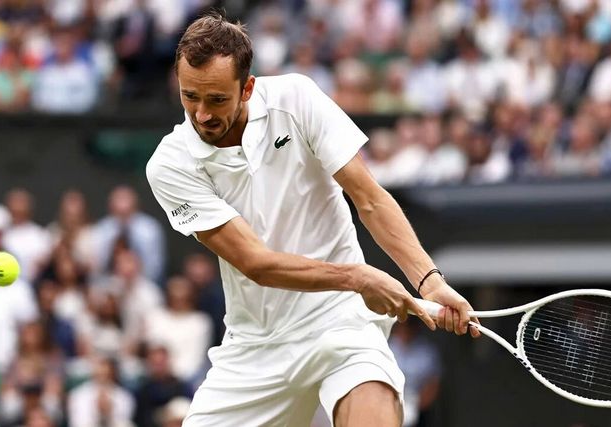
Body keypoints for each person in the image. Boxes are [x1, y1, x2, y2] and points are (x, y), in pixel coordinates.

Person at [146, 13, 480, 427]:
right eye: (189, 96)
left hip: (341, 320)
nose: (201, 114)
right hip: (255, 347)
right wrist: (358, 277)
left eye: (216, 100)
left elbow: (369, 198)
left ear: (247, 87)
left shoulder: (297, 98)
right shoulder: (170, 164)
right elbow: (257, 263)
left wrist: (430, 281)